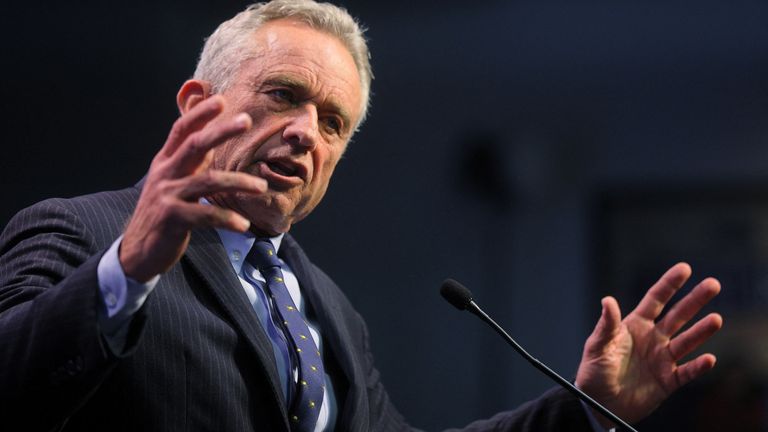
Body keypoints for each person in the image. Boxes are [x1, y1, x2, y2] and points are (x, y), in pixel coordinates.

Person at [0, 1, 723, 431]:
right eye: (284, 95)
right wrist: (127, 272)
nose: (306, 133)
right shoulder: (79, 234)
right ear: (196, 106)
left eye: (333, 122)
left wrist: (583, 409)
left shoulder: (330, 311)